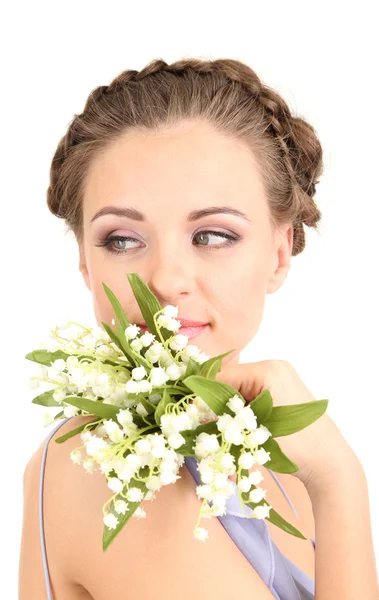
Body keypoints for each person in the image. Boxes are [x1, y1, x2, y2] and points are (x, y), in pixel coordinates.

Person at [19, 57, 378, 600]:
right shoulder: (91, 468)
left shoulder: (285, 443)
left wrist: (332, 478)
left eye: (212, 236)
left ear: (279, 254)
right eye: (122, 240)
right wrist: (339, 483)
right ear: (86, 266)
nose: (165, 280)